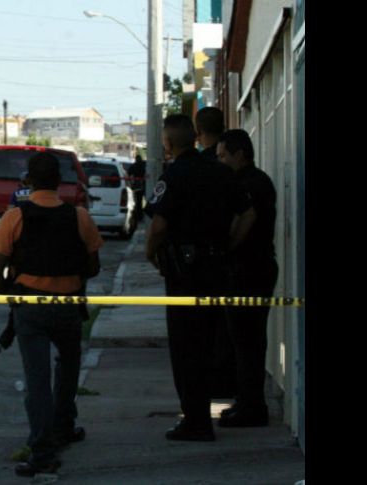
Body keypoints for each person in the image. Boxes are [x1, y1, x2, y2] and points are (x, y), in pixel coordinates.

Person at [0, 151, 103, 477]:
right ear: (60, 182)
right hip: (67, 305)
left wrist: (13, 298)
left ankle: (42, 453)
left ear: (28, 181)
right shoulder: (79, 216)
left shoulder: (15, 217)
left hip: (31, 308)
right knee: (68, 368)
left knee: (37, 381)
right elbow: (93, 265)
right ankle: (64, 426)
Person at [144, 114, 255, 441]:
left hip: (184, 273)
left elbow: (159, 225)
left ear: (167, 143)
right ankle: (200, 415)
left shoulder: (175, 174)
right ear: (194, 138)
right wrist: (229, 245)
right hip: (217, 267)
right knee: (211, 342)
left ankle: (196, 421)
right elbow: (248, 214)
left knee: (186, 347)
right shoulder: (221, 172)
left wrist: (151, 254)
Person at [216, 129, 278, 428]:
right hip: (249, 269)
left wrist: (226, 247)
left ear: (240, 154)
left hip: (250, 269)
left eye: (223, 155)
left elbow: (246, 220)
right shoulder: (250, 180)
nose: (220, 161)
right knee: (242, 342)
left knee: (247, 342)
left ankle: (252, 407)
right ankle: (246, 401)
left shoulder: (251, 183)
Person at [195, 106, 236, 399]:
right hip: (226, 256)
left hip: (206, 258)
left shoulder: (199, 167)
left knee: (206, 330)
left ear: (199, 132)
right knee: (228, 328)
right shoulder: (230, 169)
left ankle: (216, 382)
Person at [126, 154, 147, 221]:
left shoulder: (134, 166)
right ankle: (141, 215)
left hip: (137, 185)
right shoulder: (144, 165)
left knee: (137, 201)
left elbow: (128, 174)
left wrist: (131, 183)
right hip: (145, 184)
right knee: (141, 200)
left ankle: (138, 216)